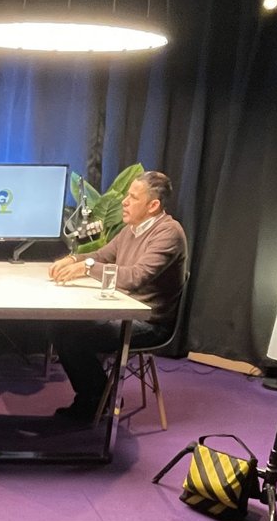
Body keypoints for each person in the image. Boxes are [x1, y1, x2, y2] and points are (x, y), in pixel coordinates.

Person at [47, 171, 187, 420]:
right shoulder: (131, 229)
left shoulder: (169, 233)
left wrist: (86, 267)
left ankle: (96, 401)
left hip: (149, 322)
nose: (124, 201)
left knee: (73, 338)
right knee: (60, 326)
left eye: (133, 197)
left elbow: (135, 277)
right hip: (120, 309)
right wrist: (73, 259)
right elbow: (102, 255)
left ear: (153, 205)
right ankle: (98, 396)